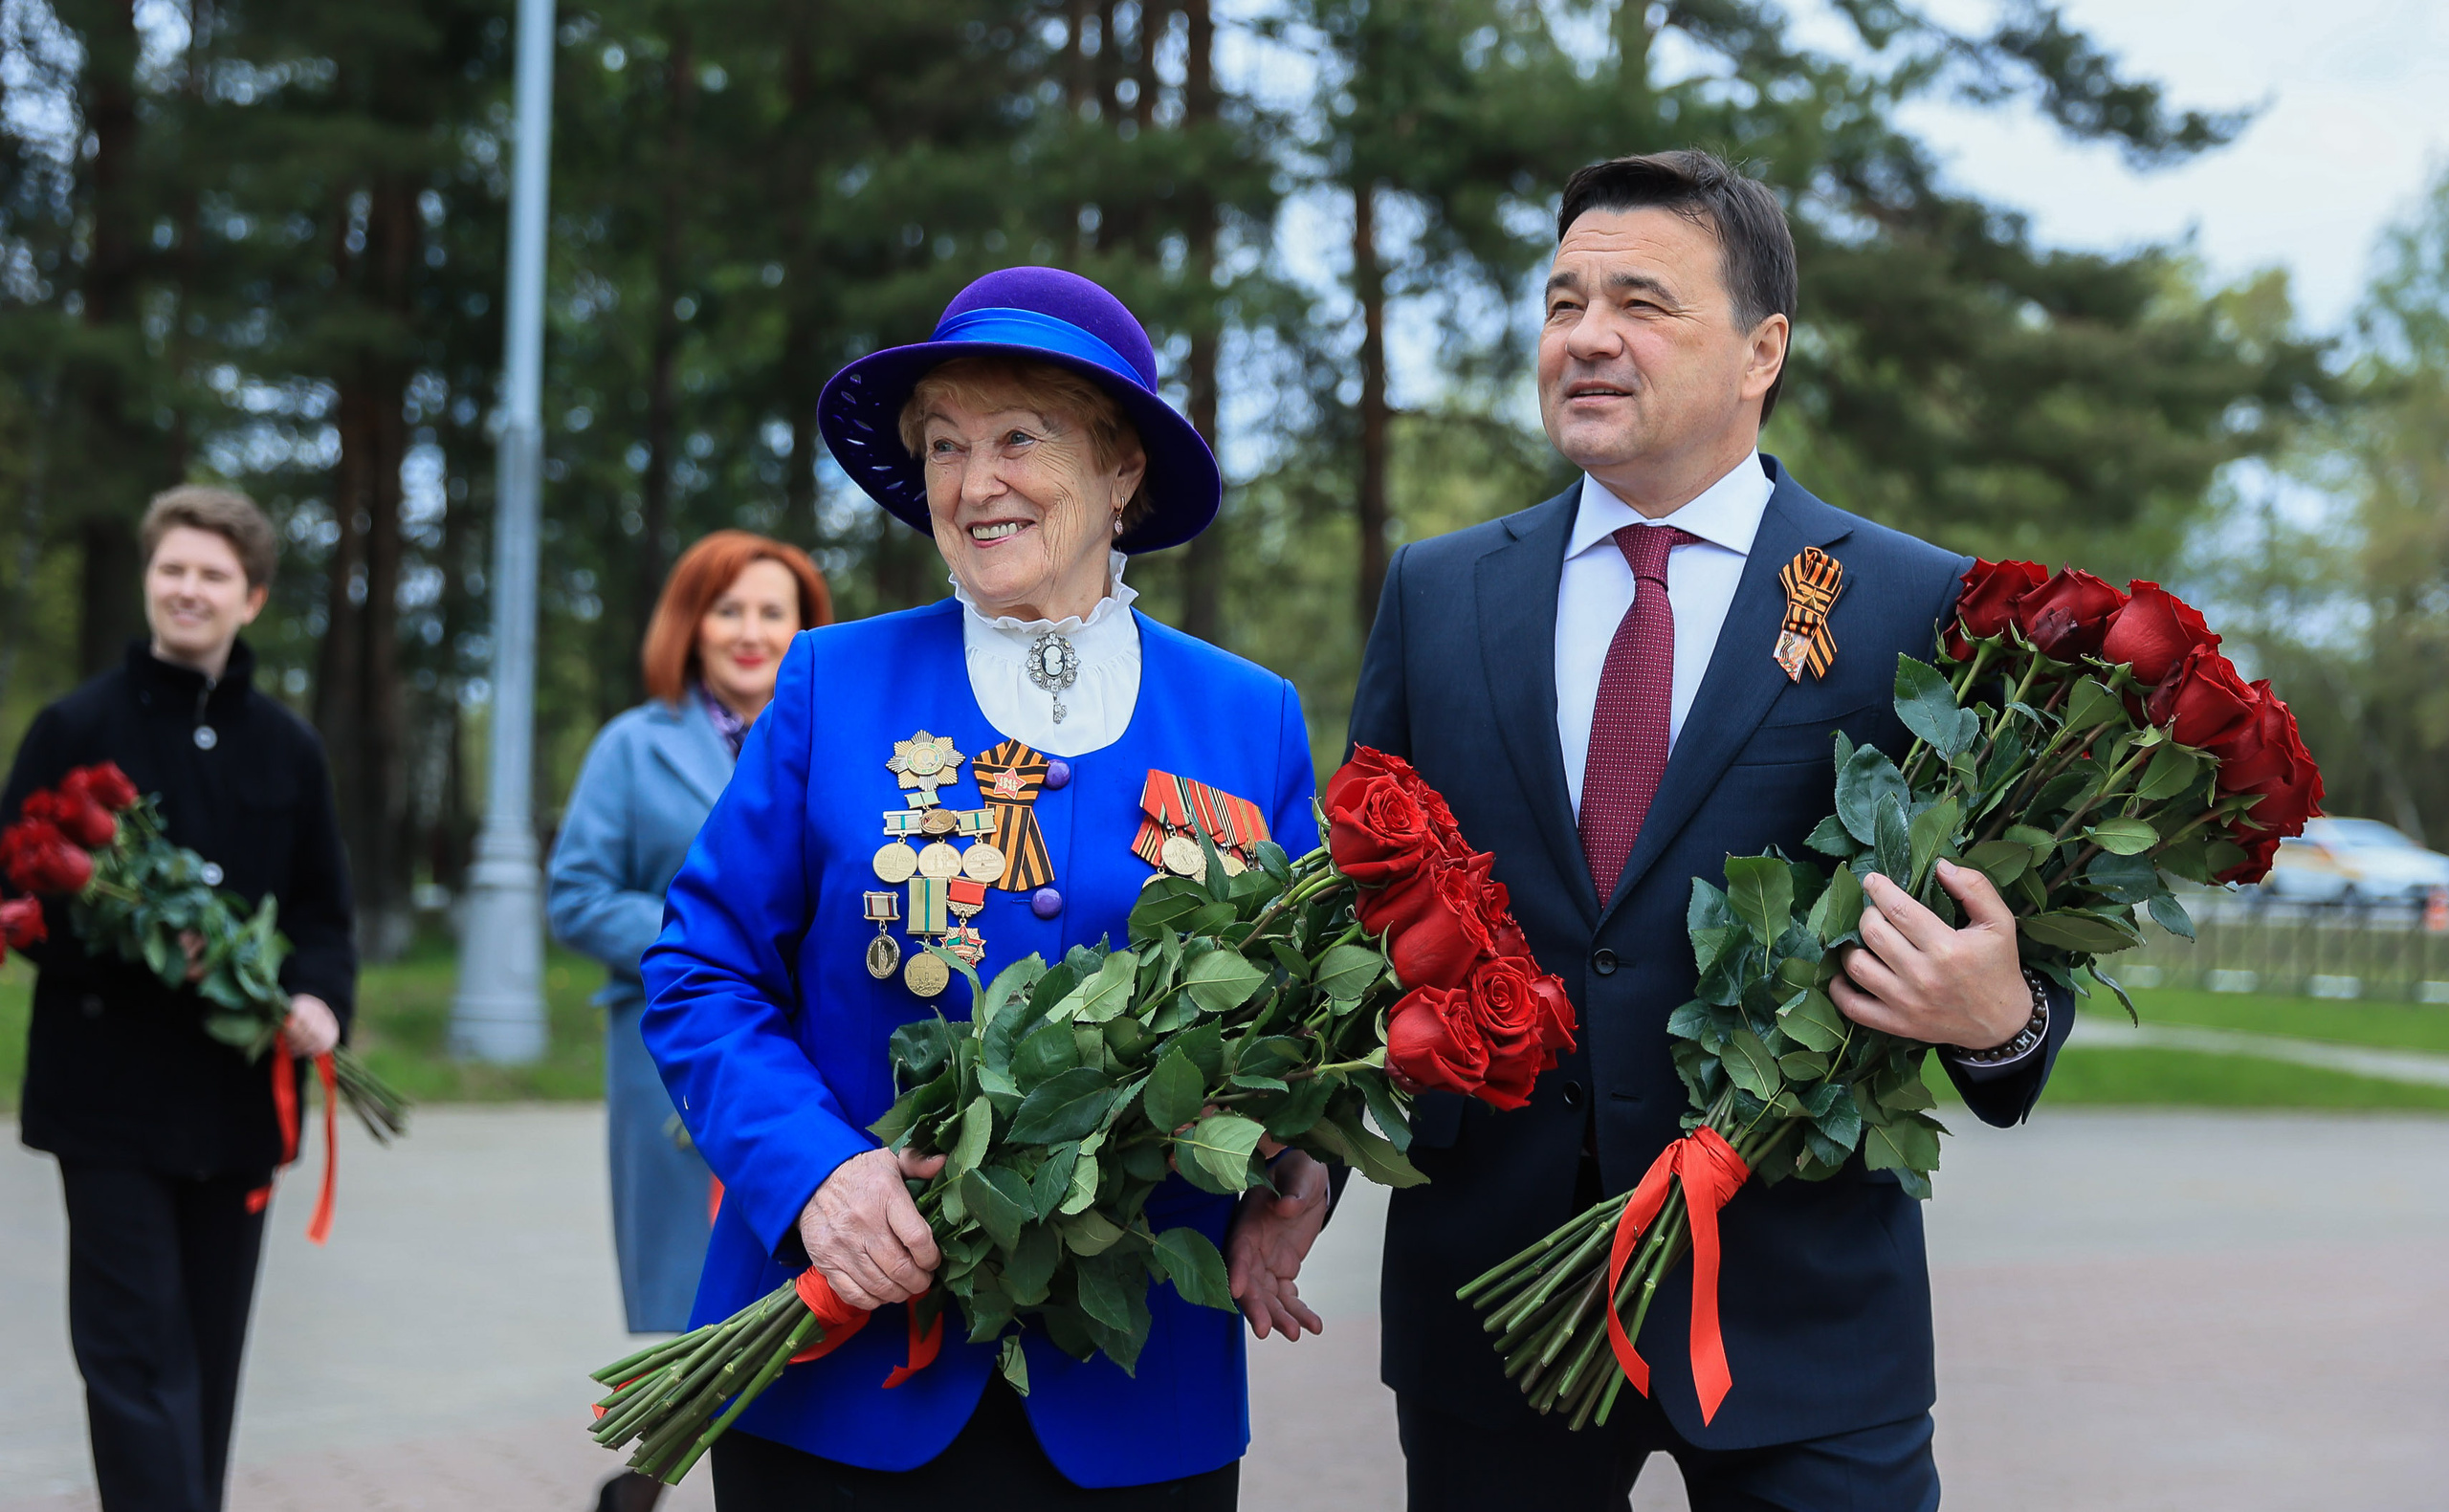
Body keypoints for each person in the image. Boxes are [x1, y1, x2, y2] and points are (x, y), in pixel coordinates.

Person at [1349, 150, 2075, 1511]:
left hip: (1800, 1309)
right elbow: (1364, 910)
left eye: (1641, 301)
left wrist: (2002, 1018)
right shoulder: (1442, 593)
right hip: (1493, 1301)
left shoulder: (1912, 605)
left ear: (1763, 351)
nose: (1587, 338)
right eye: (1563, 303)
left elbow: (2025, 949)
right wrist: (1289, 1172)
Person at [639, 266, 1330, 1509]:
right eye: (944, 445)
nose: (972, 482)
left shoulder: (1248, 717)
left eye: (1020, 436)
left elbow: (1300, 1022)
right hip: (840, 1373)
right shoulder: (826, 684)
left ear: (1123, 469)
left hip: (1132, 1388)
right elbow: (701, 971)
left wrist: (1299, 1163)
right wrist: (811, 1175)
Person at [3, 485, 355, 1512]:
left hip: (237, 1108)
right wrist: (135, 949)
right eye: (172, 571)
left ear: (250, 598)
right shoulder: (75, 726)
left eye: (211, 575)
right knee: (133, 1361)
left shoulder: (288, 748)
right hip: (105, 1101)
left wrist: (318, 1003)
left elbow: (326, 916)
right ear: (149, 582)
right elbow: (16, 896)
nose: (187, 590)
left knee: (204, 1360)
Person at [547, 530, 832, 1512]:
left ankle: (645, 1479)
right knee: (699, 1288)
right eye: (730, 610)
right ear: (692, 624)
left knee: (804, 1268)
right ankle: (662, 1472)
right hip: (676, 1057)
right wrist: (701, 941)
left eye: (773, 612)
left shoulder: (834, 738)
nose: (751, 632)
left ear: (805, 631)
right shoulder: (635, 744)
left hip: (811, 1056)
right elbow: (577, 893)